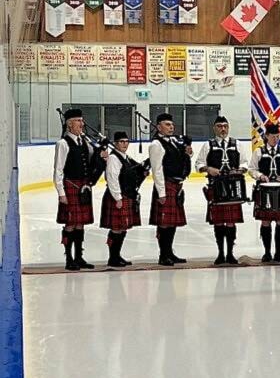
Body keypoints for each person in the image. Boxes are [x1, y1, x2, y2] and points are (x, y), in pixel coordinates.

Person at [54, 108, 108, 270]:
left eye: (82, 121)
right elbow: (58, 170)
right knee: (70, 224)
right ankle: (69, 258)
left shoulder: (84, 141)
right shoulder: (62, 144)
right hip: (71, 186)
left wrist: (101, 155)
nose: (81, 124)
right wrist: (61, 193)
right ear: (69, 124)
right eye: (78, 121)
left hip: (83, 187)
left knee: (80, 224)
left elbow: (93, 160)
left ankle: (79, 257)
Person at [195, 116, 248, 264]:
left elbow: (244, 162)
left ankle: (230, 254)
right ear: (214, 128)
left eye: (225, 126)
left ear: (228, 127)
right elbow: (198, 164)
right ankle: (220, 253)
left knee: (231, 222)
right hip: (216, 186)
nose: (222, 129)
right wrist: (208, 169)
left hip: (233, 186)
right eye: (219, 126)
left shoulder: (236, 144)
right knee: (218, 222)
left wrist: (240, 170)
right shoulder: (208, 145)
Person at [148, 113, 193, 266]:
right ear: (159, 126)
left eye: (172, 124)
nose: (171, 127)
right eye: (167, 124)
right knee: (164, 223)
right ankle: (163, 255)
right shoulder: (156, 144)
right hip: (166, 185)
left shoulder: (174, 141)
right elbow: (157, 169)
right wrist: (161, 192)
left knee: (172, 223)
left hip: (176, 185)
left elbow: (183, 159)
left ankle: (170, 253)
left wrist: (187, 151)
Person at [248, 123, 280, 263]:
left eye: (277, 136)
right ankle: (267, 253)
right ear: (266, 136)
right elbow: (252, 169)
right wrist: (260, 176)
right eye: (273, 136)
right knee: (266, 221)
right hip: (264, 190)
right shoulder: (259, 152)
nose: (276, 139)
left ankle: (279, 253)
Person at [100, 131, 148, 267]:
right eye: (121, 142)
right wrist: (117, 197)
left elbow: (135, 170)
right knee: (116, 228)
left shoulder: (125, 157)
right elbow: (112, 178)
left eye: (126, 141)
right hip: (118, 196)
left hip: (126, 194)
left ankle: (117, 256)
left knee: (122, 227)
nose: (124, 144)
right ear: (115, 143)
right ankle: (113, 258)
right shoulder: (114, 158)